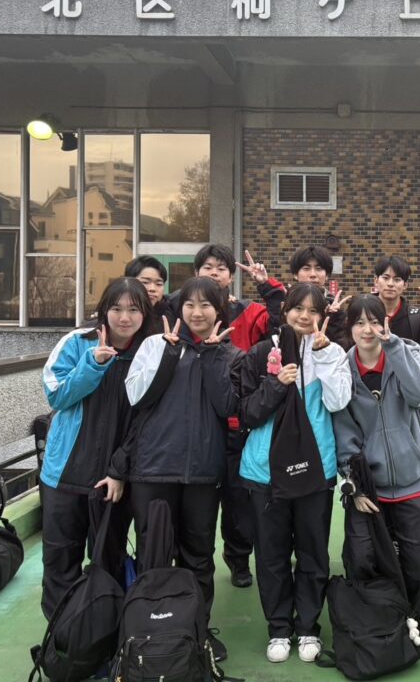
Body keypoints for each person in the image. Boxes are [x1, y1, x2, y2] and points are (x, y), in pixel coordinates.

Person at [119, 276, 242, 666]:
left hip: (203, 474)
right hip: (152, 470)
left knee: (199, 558)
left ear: (219, 310)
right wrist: (170, 355)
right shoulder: (156, 344)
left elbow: (228, 407)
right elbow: (136, 397)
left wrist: (213, 356)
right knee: (153, 556)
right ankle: (147, 637)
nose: (197, 312)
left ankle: (196, 633)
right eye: (190, 304)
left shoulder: (230, 354)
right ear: (179, 307)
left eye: (206, 304)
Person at [239, 282, 352, 664]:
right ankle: (278, 628)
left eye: (313, 310)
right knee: (271, 555)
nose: (305, 316)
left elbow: (338, 402)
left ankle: (307, 627)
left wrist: (323, 357)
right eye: (297, 308)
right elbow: (247, 413)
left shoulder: (332, 352)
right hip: (264, 472)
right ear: (284, 311)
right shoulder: (261, 353)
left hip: (315, 469)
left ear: (323, 315)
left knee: (312, 552)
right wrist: (276, 384)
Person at [164, 244, 285, 588]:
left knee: (237, 501)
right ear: (195, 274)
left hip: (235, 416)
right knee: (194, 504)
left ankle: (238, 558)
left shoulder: (248, 312)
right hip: (192, 420)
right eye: (207, 267)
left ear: (231, 276)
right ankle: (186, 566)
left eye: (221, 268)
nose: (214, 273)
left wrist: (267, 287)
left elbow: (278, 326)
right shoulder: (180, 312)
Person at [39, 277, 153, 619]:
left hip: (114, 480)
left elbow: (147, 419)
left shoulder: (149, 352)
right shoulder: (78, 343)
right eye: (116, 308)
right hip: (65, 474)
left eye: (134, 310)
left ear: (145, 314)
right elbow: (56, 395)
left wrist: (120, 471)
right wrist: (94, 364)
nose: (124, 317)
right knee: (60, 563)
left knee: (109, 561)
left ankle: (106, 635)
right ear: (104, 309)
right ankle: (61, 636)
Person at [333, 295, 420, 651]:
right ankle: (381, 620)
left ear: (385, 323)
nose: (367, 329)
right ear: (350, 327)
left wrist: (394, 346)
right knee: (363, 557)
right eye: (359, 322)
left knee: (418, 558)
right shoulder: (342, 369)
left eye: (374, 321)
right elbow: (344, 433)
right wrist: (354, 486)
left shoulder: (404, 353)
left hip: (413, 480)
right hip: (370, 489)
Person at [372, 254, 420, 362]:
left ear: (405, 285)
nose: (390, 284)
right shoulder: (364, 313)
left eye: (397, 279)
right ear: (376, 280)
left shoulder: (418, 318)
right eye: (385, 278)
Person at [289, 244, 353, 349]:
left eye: (318, 269)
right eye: (306, 268)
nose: (313, 274)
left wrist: (333, 318)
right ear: (295, 274)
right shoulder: (285, 304)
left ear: (327, 275)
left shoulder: (335, 310)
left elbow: (342, 349)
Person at [124, 255, 168, 332]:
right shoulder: (115, 314)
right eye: (145, 282)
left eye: (159, 284)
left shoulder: (172, 314)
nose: (152, 289)